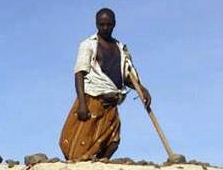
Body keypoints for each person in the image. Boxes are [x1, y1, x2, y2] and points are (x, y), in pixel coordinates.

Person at [59, 8, 153, 161]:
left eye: (108, 25)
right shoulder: (88, 45)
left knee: (112, 142)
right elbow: (79, 73)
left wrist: (142, 89)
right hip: (92, 100)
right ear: (96, 24)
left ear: (114, 24)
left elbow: (127, 76)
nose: (105, 28)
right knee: (80, 142)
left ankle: (99, 166)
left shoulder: (121, 49)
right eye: (102, 25)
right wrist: (82, 104)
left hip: (112, 102)